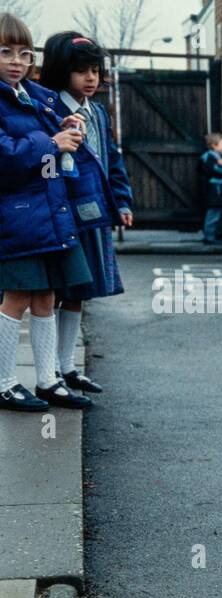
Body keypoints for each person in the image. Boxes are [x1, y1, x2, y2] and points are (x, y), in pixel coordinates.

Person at [0, 13, 94, 412]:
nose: (17, 61)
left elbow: (52, 131)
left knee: (47, 294)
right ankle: (4, 382)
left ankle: (47, 380)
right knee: (17, 296)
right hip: (18, 213)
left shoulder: (30, 95)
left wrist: (68, 124)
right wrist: (51, 141)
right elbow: (6, 158)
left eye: (24, 53)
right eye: (5, 52)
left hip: (48, 209)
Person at [44, 31, 134, 395]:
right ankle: (48, 370)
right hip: (62, 217)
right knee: (52, 294)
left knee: (79, 292)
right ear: (62, 72)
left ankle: (68, 368)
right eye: (81, 70)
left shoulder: (96, 112)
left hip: (94, 215)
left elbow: (112, 159)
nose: (91, 78)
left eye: (95, 70)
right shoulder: (49, 108)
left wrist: (123, 201)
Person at [199, 133, 222, 245]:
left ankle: (216, 234)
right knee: (213, 215)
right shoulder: (208, 157)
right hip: (215, 191)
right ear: (214, 146)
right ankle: (209, 237)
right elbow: (220, 171)